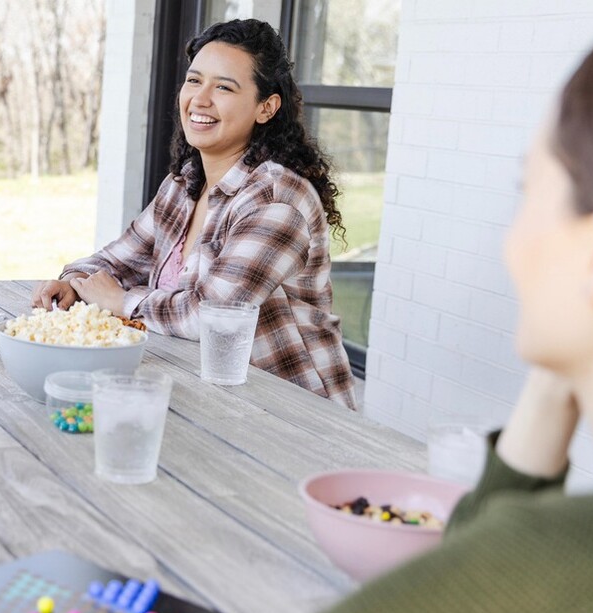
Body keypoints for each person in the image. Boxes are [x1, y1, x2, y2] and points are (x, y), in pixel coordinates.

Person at [274, 19, 593, 613]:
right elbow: (469, 569)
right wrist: (564, 370)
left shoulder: (576, 574)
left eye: (528, 192)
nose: (511, 241)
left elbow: (482, 586)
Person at [33, 20, 356, 409]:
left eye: (223, 87)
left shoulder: (276, 201)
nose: (200, 99)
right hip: (202, 396)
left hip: (291, 411)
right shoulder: (184, 183)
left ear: (266, 108)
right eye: (194, 81)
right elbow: (116, 259)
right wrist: (74, 282)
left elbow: (211, 315)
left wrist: (121, 302)